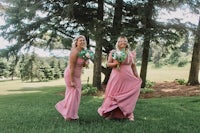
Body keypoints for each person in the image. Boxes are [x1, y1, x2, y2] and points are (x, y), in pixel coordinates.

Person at [97, 36, 142, 121]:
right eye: (121, 41)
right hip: (116, 77)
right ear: (118, 42)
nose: (123, 43)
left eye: (125, 41)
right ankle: (111, 114)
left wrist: (137, 76)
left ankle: (128, 114)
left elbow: (133, 66)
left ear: (127, 43)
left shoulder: (130, 53)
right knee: (114, 95)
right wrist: (116, 63)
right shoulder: (114, 52)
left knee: (127, 96)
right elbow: (108, 64)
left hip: (128, 78)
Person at [55, 35, 89, 121]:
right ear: (76, 43)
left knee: (76, 95)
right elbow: (71, 67)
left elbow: (83, 65)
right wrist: (72, 80)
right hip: (71, 75)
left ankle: (72, 114)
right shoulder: (74, 52)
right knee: (72, 95)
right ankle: (68, 115)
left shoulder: (83, 51)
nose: (82, 42)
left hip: (77, 76)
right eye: (80, 40)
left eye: (83, 40)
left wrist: (86, 61)